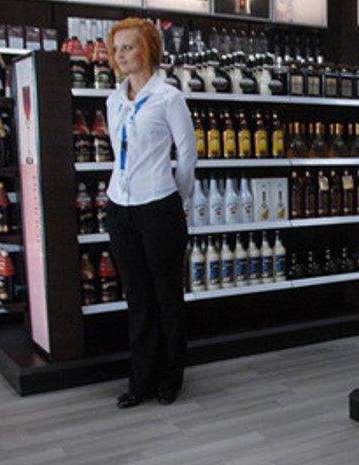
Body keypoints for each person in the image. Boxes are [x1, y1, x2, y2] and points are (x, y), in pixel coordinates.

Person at [104, 18, 196, 409]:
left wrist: (175, 199)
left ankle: (169, 379)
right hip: (120, 208)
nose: (121, 55)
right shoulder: (113, 100)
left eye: (128, 47)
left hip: (159, 206)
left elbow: (187, 155)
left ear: (148, 50)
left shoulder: (168, 98)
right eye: (117, 48)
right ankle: (139, 380)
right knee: (138, 297)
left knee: (166, 296)